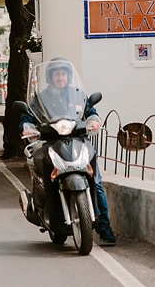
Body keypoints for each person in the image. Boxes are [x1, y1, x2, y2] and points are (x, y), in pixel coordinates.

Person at [22, 58, 116, 246]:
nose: (60, 77)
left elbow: (90, 111)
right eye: (56, 74)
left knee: (95, 181)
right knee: (46, 175)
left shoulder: (78, 94)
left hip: (79, 140)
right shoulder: (41, 98)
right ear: (50, 77)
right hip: (51, 141)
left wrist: (94, 120)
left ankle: (104, 227)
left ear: (69, 76)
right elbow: (28, 116)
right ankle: (48, 212)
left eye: (64, 73)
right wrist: (27, 127)